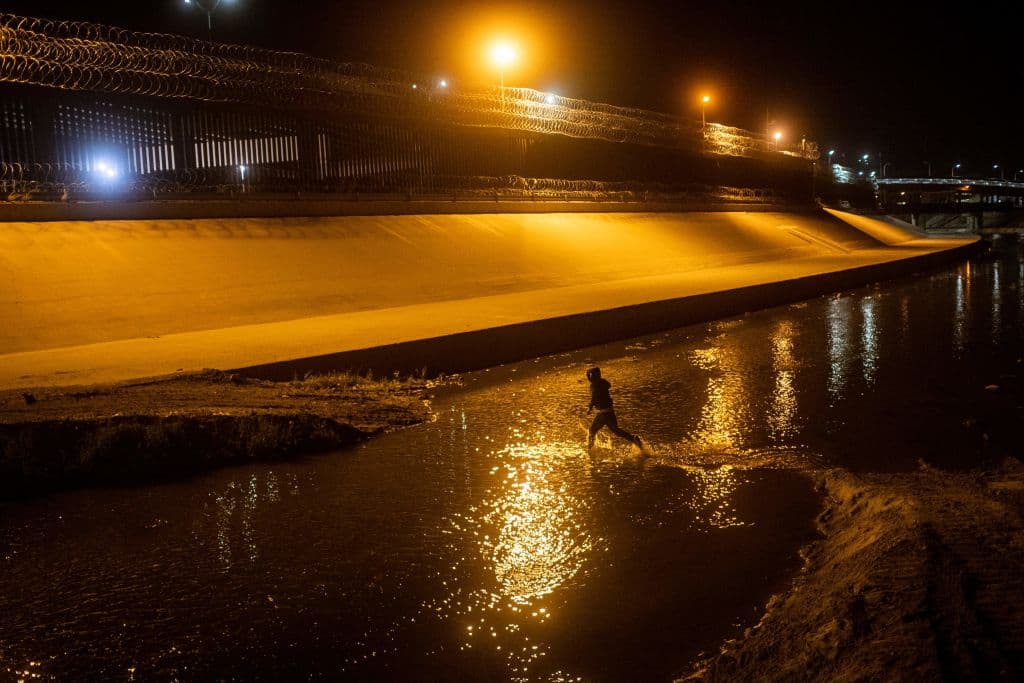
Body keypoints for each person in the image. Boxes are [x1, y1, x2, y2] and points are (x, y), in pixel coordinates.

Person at [585, 366, 643, 451]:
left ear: (591, 377)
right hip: (610, 411)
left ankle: (589, 451)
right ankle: (633, 438)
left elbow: (594, 397)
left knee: (592, 430)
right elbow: (608, 385)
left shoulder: (594, 386)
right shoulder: (603, 382)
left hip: (603, 413)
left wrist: (589, 408)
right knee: (616, 431)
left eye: (589, 376)